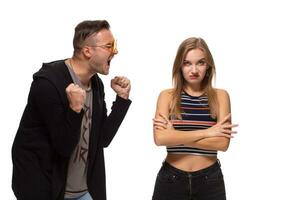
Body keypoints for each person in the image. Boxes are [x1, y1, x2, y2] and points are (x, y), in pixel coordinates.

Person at [11, 20, 131, 200]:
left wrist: (122, 99)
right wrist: (75, 109)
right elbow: (63, 146)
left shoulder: (96, 84)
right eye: (109, 46)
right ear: (88, 51)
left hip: (82, 190)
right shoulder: (48, 83)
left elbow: (102, 139)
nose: (115, 51)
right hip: (45, 189)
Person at [152, 37, 238, 200]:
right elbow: (160, 138)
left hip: (210, 181)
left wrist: (176, 136)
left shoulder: (221, 96)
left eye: (200, 63)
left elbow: (222, 143)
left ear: (208, 66)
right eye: (187, 63)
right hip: (171, 179)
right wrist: (209, 132)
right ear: (179, 66)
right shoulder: (167, 96)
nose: (194, 70)